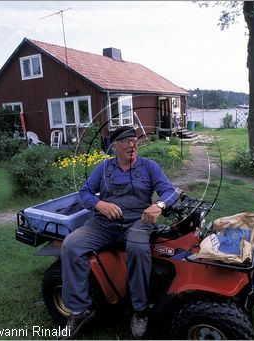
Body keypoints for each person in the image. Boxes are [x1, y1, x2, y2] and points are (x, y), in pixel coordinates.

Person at [60, 126, 178, 339]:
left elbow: (170, 192)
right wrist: (99, 204)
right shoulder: (104, 168)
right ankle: (79, 310)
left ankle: (140, 311)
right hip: (104, 224)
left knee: (138, 248)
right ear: (114, 146)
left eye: (134, 140)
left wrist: (159, 205)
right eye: (125, 141)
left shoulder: (149, 167)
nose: (132, 145)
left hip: (137, 222)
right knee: (71, 243)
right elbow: (84, 192)